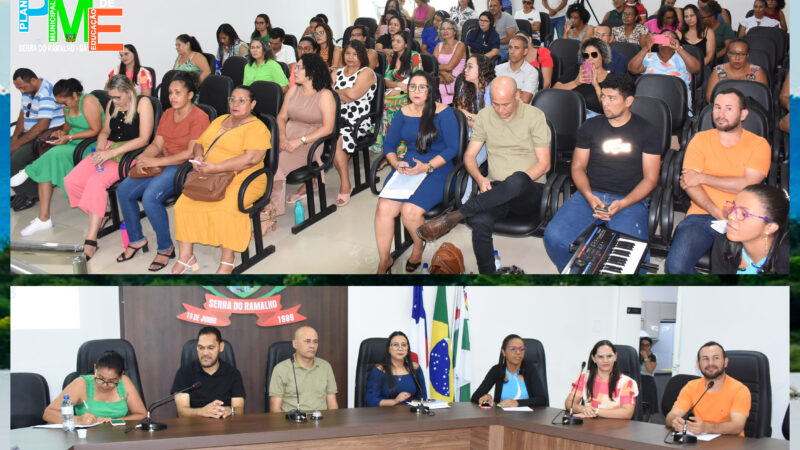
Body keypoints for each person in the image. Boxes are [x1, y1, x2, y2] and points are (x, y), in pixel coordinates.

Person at [416, 77, 551, 274]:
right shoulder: (485, 116)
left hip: (528, 192)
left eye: (505, 104)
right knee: (480, 222)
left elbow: (544, 164)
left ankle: (456, 215)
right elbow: (470, 156)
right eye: (495, 104)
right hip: (495, 191)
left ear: (518, 96)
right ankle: (488, 276)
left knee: (517, 179)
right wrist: (480, 178)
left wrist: (512, 184)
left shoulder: (535, 116)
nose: (500, 110)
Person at [544, 73, 659, 272]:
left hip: (628, 199)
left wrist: (623, 203)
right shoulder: (590, 126)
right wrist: (588, 195)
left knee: (636, 259)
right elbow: (578, 167)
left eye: (612, 98)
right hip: (591, 193)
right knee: (554, 238)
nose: (605, 103)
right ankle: (574, 274)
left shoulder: (647, 131)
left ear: (629, 101)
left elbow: (650, 179)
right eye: (603, 97)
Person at [664, 88, 770, 274]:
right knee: (675, 267)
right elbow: (689, 183)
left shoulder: (759, 144)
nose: (721, 114)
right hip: (702, 212)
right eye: (717, 107)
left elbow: (748, 184)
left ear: (743, 114)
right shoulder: (700, 140)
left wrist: (703, 177)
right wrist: (716, 211)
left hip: (743, 217)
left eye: (729, 108)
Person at [116, 72, 209, 271]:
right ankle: (136, 239)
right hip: (163, 161)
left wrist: (156, 160)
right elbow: (157, 144)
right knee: (123, 191)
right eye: (170, 93)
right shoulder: (167, 113)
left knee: (150, 198)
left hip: (181, 166)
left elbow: (189, 152)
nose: (172, 97)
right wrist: (144, 159)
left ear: (190, 95)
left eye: (178, 93)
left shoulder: (200, 117)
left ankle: (166, 248)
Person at [171, 85, 268, 274]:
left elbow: (251, 160)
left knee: (225, 208)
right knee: (183, 205)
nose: (235, 104)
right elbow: (199, 143)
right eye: (232, 99)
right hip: (210, 176)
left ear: (252, 104)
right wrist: (199, 157)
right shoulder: (221, 120)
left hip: (245, 178)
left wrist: (217, 167)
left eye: (242, 100)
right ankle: (186, 256)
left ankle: (227, 259)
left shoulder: (258, 128)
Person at [374, 71, 459, 274]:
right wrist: (395, 163)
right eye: (412, 86)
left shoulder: (444, 112)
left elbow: (452, 148)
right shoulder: (403, 112)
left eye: (422, 87)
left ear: (430, 90)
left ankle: (418, 248)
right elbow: (389, 145)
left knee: (410, 212)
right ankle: (384, 260)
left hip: (438, 167)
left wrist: (427, 166)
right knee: (384, 207)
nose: (416, 91)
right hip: (408, 166)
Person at [64, 75, 153, 260]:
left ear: (129, 92)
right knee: (71, 180)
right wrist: (100, 149)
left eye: (117, 98)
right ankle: (102, 211)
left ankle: (91, 240)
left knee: (95, 183)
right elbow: (105, 131)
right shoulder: (112, 104)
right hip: (109, 149)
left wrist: (110, 154)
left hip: (131, 154)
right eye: (111, 97)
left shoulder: (143, 103)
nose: (113, 101)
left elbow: (144, 139)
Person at [11, 79, 103, 237]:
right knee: (47, 165)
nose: (62, 107)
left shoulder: (88, 101)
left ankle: (27, 171)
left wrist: (69, 138)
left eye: (64, 103)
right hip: (73, 141)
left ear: (75, 95)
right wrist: (63, 133)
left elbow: (96, 130)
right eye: (59, 103)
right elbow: (68, 126)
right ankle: (44, 218)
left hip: (91, 145)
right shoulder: (67, 105)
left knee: (53, 154)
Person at [272, 54, 336, 222]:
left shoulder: (325, 95)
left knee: (275, 165)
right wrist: (283, 137)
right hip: (288, 136)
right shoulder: (294, 90)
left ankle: (268, 213)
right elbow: (281, 117)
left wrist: (299, 141)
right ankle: (260, 201)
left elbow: (328, 128)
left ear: (312, 72)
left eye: (300, 67)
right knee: (261, 158)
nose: (295, 70)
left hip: (310, 142)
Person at [665, 342, 750, 436]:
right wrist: (676, 422)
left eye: (716, 358)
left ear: (725, 362)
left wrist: (707, 428)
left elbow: (737, 426)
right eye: (705, 359)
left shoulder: (740, 390)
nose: (710, 363)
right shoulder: (691, 387)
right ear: (698, 365)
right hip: (700, 443)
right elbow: (671, 416)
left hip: (731, 444)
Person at [10, 68, 65, 212]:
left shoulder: (47, 93)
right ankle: (22, 190)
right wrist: (14, 139)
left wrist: (17, 145)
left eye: (23, 87)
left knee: (12, 160)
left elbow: (42, 126)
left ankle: (31, 194)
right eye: (18, 88)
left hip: (44, 137)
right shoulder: (29, 92)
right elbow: (23, 116)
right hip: (30, 134)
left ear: (33, 80)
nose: (21, 91)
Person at [42, 351, 146, 425]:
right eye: (100, 378)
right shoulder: (81, 384)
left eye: (111, 381)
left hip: (118, 438)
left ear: (121, 375)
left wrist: (114, 421)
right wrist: (78, 420)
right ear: (95, 368)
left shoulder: (125, 382)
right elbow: (48, 413)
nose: (104, 385)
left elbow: (141, 414)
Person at [332, 40, 378, 208]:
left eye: (355, 54)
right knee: (316, 133)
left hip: (358, 120)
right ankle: (313, 181)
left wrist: (336, 93)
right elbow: (325, 93)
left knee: (336, 139)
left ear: (362, 56)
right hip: (335, 117)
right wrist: (341, 94)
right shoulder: (337, 72)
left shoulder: (366, 73)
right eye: (348, 53)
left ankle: (346, 184)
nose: (350, 57)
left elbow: (352, 95)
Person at [711, 184, 789, 274]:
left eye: (744, 214)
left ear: (770, 227)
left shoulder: (786, 259)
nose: (731, 216)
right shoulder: (723, 245)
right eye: (733, 208)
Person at [172, 326, 245, 418]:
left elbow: (239, 409)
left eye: (210, 348)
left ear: (221, 347)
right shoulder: (185, 372)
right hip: (194, 427)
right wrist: (202, 411)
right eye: (201, 348)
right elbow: (182, 411)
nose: (205, 353)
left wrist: (230, 410)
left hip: (225, 426)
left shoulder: (233, 374)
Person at [371, 31, 422, 154]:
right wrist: (398, 86)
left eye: (398, 41)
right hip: (394, 91)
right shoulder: (390, 57)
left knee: (391, 106)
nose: (394, 43)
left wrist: (399, 91)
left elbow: (418, 79)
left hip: (413, 92)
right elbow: (387, 81)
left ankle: (399, 147)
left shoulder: (415, 56)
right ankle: (385, 145)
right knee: (380, 103)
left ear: (406, 44)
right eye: (393, 41)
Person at [269, 326, 338, 413]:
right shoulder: (281, 369)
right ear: (295, 344)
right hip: (291, 423)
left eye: (315, 342)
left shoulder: (325, 367)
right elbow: (275, 410)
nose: (312, 346)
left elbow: (333, 405)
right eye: (307, 341)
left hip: (321, 422)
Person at [628, 30, 700, 113]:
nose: (666, 39)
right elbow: (632, 69)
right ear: (657, 44)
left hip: (677, 105)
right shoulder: (649, 56)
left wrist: (678, 49)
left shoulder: (683, 57)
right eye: (662, 37)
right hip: (650, 103)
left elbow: (696, 69)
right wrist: (646, 47)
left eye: (669, 38)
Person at [565, 340, 639, 419]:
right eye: (600, 356)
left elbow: (627, 413)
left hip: (616, 428)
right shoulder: (585, 377)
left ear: (615, 357)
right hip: (589, 426)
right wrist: (583, 409)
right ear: (594, 358)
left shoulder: (626, 382)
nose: (605, 360)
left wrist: (595, 412)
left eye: (609, 356)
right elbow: (569, 403)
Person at [471, 334, 547, 407]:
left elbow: (542, 399)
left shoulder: (530, 370)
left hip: (528, 417)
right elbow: (475, 397)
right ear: (504, 352)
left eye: (522, 349)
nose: (518, 352)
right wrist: (486, 397)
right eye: (513, 349)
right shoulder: (496, 370)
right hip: (502, 418)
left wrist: (517, 403)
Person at [554, 38, 613, 118]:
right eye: (586, 55)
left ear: (603, 55)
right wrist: (575, 83)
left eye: (594, 55)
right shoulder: (575, 70)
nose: (590, 58)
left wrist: (596, 85)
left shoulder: (612, 78)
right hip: (568, 114)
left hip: (594, 119)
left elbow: (609, 108)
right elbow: (555, 90)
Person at [366, 331, 427, 406]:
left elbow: (422, 397)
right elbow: (370, 400)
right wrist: (395, 401)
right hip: (384, 414)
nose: (400, 348)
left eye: (404, 345)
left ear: (407, 349)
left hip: (410, 414)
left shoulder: (415, 368)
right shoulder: (380, 370)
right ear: (389, 349)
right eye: (395, 345)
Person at [705, 39, 768, 104]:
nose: (737, 58)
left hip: (750, 109)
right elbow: (710, 98)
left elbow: (763, 98)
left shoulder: (757, 72)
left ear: (747, 55)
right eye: (733, 53)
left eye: (742, 54)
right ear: (728, 54)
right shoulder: (718, 71)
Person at [495, 35, 538, 104]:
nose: (511, 51)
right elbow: (492, 93)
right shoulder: (498, 68)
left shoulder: (532, 72)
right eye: (510, 47)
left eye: (516, 48)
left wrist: (502, 88)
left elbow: (525, 100)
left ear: (525, 51)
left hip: (522, 112)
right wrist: (518, 91)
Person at [434, 19, 466, 104]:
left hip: (454, 79)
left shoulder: (460, 45)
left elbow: (449, 67)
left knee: (433, 89)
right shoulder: (438, 46)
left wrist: (439, 70)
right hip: (442, 77)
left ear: (454, 31)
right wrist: (443, 74)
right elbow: (432, 65)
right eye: (443, 29)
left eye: (448, 28)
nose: (445, 31)